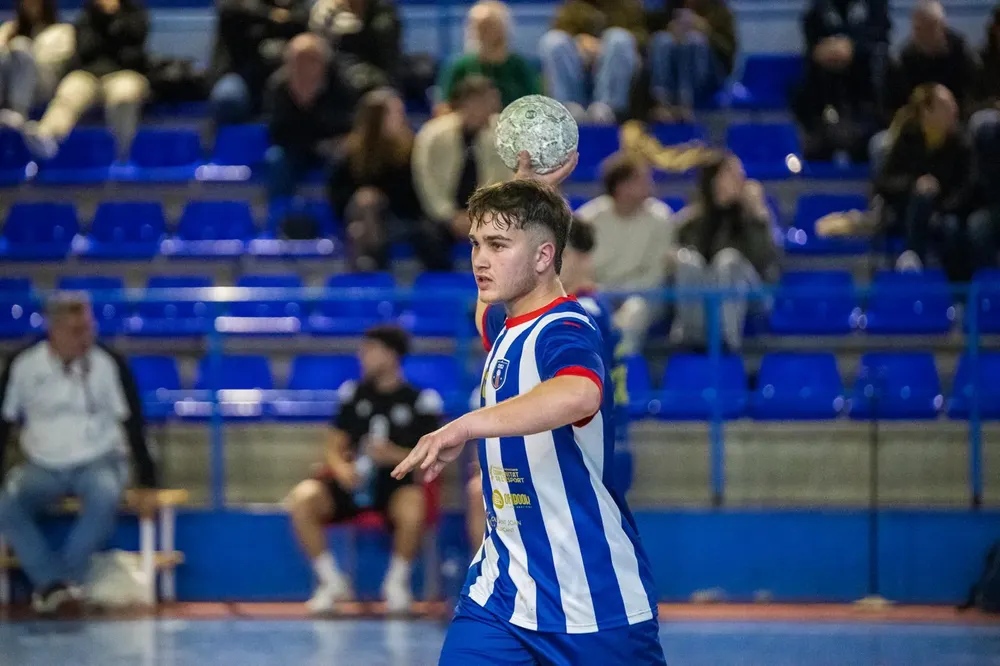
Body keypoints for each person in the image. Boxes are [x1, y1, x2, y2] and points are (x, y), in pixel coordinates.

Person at [391, 152, 665, 665]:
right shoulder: (506, 324)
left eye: (497, 246)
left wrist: (466, 426)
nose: (479, 259)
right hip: (502, 592)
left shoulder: (567, 327)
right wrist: (522, 189)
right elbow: (488, 303)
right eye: (476, 244)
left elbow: (578, 392)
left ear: (543, 258)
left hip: (591, 600)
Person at [462, 218, 632, 556]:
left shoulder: (580, 314)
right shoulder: (559, 313)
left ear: (581, 258)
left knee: (566, 554)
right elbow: (491, 313)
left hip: (579, 446)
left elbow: (577, 392)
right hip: (563, 442)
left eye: (557, 256)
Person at [0, 293, 159, 615]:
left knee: (105, 494)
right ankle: (54, 584)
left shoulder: (108, 363)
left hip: (99, 461)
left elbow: (132, 421)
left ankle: (61, 585)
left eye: (88, 329)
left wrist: (148, 479)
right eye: (76, 331)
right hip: (43, 464)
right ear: (53, 330)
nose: (85, 338)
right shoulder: (24, 365)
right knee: (6, 503)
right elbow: (3, 422)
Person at [286, 325, 442, 614]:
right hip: (352, 483)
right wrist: (341, 468)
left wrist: (393, 455)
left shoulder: (420, 401)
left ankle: (396, 584)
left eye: (369, 350)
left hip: (395, 485)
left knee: (414, 504)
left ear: (391, 355)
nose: (362, 356)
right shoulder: (353, 394)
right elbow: (334, 445)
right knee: (303, 497)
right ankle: (331, 582)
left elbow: (430, 459)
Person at [874, 83, 990, 281]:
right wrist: (915, 184)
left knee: (952, 228)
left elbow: (968, 188)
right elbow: (884, 182)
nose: (954, 110)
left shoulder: (962, 143)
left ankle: (958, 294)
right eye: (945, 105)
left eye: (954, 104)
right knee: (923, 196)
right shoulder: (908, 139)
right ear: (926, 112)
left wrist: (941, 204)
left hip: (949, 211)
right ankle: (912, 259)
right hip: (909, 210)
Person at [671, 154, 779, 352]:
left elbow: (764, 260)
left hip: (752, 292)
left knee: (728, 260)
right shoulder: (691, 220)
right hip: (708, 291)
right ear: (713, 180)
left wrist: (755, 212)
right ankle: (691, 338)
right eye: (731, 174)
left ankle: (726, 342)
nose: (740, 179)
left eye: (740, 174)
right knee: (687, 261)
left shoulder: (754, 216)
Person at [22, 0, 149, 161]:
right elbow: (86, 50)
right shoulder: (86, 17)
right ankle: (47, 135)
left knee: (124, 95)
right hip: (88, 75)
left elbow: (132, 50)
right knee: (70, 90)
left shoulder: (136, 14)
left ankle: (122, 153)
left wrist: (112, 17)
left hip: (125, 73)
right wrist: (102, 18)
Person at [576, 152, 676, 355]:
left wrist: (620, 293)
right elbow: (578, 269)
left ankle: (619, 370)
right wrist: (602, 294)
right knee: (584, 309)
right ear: (622, 187)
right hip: (599, 293)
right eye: (642, 179)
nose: (651, 184)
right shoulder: (588, 219)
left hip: (644, 296)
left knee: (634, 311)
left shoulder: (661, 218)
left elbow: (655, 274)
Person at [411, 75, 509, 271]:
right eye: (486, 101)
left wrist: (481, 216)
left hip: (486, 214)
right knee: (427, 236)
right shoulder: (433, 135)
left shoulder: (503, 135)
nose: (492, 107)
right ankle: (442, 286)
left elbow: (505, 181)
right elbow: (425, 180)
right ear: (468, 102)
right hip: (442, 215)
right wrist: (449, 216)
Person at [327, 87, 427, 271]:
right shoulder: (350, 154)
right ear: (375, 118)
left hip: (401, 220)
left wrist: (381, 198)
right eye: (394, 113)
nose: (401, 119)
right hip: (359, 218)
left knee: (360, 228)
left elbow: (417, 199)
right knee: (361, 218)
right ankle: (375, 272)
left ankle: (372, 271)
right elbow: (337, 198)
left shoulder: (413, 152)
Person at [793, 0, 889, 163]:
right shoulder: (819, 7)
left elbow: (880, 36)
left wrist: (853, 47)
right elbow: (812, 37)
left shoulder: (875, 6)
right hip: (824, 86)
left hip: (864, 89)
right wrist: (824, 49)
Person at [264, 32, 356, 201]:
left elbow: (349, 125)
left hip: (332, 148)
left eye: (309, 60)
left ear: (323, 63)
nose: (302, 67)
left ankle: (339, 213)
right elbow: (276, 132)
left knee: (348, 160)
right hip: (295, 149)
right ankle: (280, 214)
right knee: (275, 159)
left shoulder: (342, 85)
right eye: (296, 61)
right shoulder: (278, 87)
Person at [539, 0, 644, 124]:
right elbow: (559, 27)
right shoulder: (572, 5)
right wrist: (579, 41)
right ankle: (568, 110)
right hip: (580, 68)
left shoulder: (629, 5)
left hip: (614, 65)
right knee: (553, 40)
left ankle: (606, 110)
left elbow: (642, 36)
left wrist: (600, 45)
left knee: (618, 38)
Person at [208, 0, 309, 125]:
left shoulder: (303, 6)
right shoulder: (236, 6)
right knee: (227, 99)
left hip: (289, 76)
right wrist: (272, 15)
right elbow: (232, 12)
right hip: (244, 73)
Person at [435, 1, 540, 116]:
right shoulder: (459, 66)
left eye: (487, 26)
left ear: (502, 29)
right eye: (475, 26)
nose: (480, 32)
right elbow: (443, 108)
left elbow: (536, 106)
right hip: (468, 128)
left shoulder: (519, 66)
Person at [647, 0, 737, 123]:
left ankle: (686, 105)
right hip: (674, 72)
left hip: (711, 73)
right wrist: (672, 31)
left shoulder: (719, 9)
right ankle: (662, 104)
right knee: (662, 39)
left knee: (694, 40)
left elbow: (728, 52)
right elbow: (649, 33)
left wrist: (706, 31)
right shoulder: (670, 6)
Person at [0, 0, 74, 129]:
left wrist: (19, 48)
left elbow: (45, 61)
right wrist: (8, 43)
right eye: (27, 3)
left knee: (20, 46)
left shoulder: (62, 30)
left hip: (44, 83)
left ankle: (18, 111)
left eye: (35, 3)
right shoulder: (9, 28)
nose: (31, 7)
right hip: (11, 81)